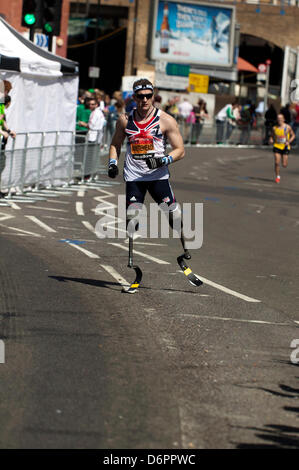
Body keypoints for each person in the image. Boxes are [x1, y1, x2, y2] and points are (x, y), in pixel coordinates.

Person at [107, 78, 196, 289]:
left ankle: (184, 250)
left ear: (153, 96)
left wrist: (163, 159)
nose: (145, 100)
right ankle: (133, 266)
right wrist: (112, 163)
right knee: (132, 220)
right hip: (134, 177)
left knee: (175, 216)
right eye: (141, 96)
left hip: (158, 177)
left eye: (149, 95)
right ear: (134, 97)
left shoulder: (165, 120)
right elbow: (115, 144)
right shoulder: (125, 120)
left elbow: (180, 150)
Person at [269, 113, 295, 184]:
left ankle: (284, 161)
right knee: (277, 162)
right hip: (277, 146)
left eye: (281, 118)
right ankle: (277, 176)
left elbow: (293, 135)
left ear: (283, 119)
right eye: (278, 118)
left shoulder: (288, 127)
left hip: (285, 147)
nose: (279, 120)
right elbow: (271, 136)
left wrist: (289, 141)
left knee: (284, 164)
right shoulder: (274, 128)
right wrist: (271, 139)